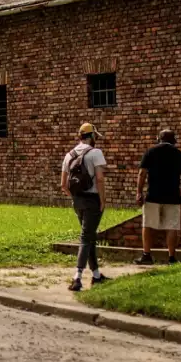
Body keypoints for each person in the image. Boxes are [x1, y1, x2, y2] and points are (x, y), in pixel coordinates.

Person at [60, 123, 110, 292]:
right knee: (86, 237)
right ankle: (77, 277)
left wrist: (75, 197)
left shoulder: (69, 155)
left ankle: (96, 275)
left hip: (77, 201)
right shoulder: (95, 153)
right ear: (91, 136)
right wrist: (102, 200)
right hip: (92, 200)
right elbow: (100, 179)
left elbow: (63, 184)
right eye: (95, 136)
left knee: (89, 237)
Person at [136, 129, 181, 265]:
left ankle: (147, 255)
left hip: (153, 195)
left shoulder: (150, 152)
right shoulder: (180, 155)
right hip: (172, 196)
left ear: (158, 139)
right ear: (174, 141)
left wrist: (139, 192)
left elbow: (142, 174)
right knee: (172, 226)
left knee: (148, 225)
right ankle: (172, 257)